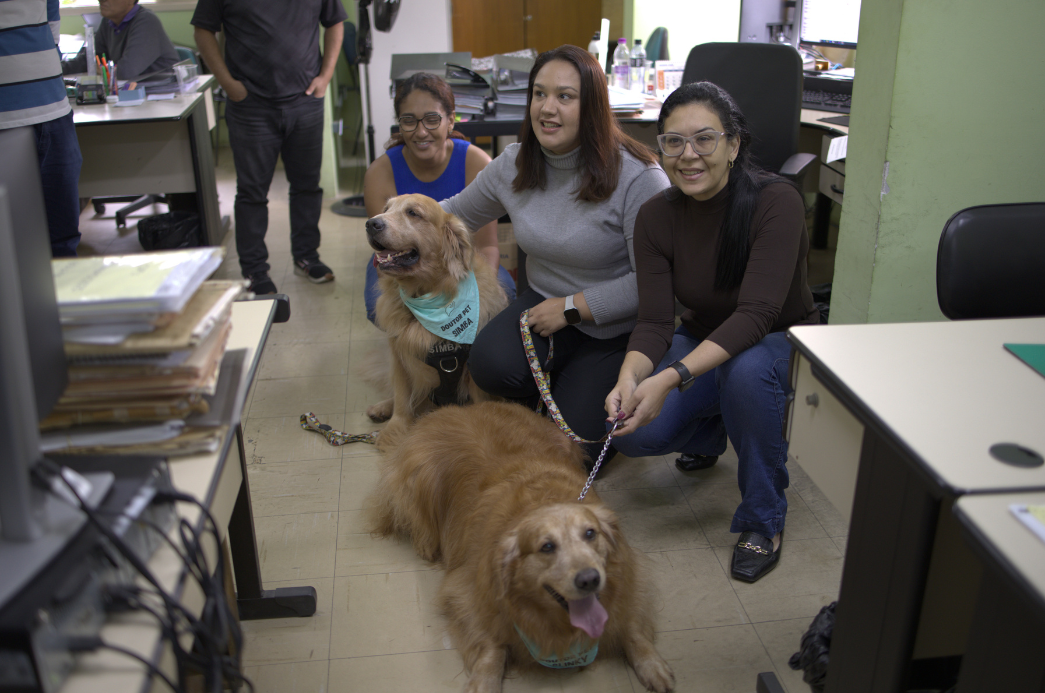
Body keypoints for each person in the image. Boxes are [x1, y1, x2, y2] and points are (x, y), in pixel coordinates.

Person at [605, 81, 820, 583]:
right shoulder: (656, 216)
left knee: (744, 374)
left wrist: (670, 377)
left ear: (734, 144)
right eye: (673, 142)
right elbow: (656, 321)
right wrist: (630, 378)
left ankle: (763, 519)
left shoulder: (776, 202)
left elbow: (758, 315)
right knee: (636, 435)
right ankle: (717, 425)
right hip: (704, 338)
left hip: (780, 339)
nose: (688, 155)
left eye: (705, 139)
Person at [441, 45, 670, 460]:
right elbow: (453, 214)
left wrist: (572, 307)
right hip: (543, 310)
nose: (547, 109)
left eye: (565, 96)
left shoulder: (640, 178)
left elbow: (654, 283)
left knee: (571, 454)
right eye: (539, 94)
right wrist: (395, 223)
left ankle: (572, 391)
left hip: (614, 330)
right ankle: (555, 387)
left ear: (593, 106)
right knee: (488, 364)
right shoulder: (514, 164)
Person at [191, 0, 346, 295]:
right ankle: (254, 271)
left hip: (305, 103)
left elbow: (334, 22)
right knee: (252, 192)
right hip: (250, 106)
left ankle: (307, 256)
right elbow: (203, 31)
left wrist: (325, 76)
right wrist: (227, 82)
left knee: (307, 187)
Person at [362, 72, 516, 324]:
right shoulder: (379, 173)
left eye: (432, 119)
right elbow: (384, 247)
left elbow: (487, 246)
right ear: (400, 125)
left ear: (451, 120)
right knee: (377, 308)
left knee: (504, 294)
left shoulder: (477, 163)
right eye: (409, 121)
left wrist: (472, 297)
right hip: (399, 259)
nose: (421, 132)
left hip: (461, 260)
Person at [0, 0, 83, 257]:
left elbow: (51, 19)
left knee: (63, 237)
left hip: (54, 108)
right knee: (10, 243)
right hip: (5, 116)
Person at [62, 0, 179, 82]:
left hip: (162, 97)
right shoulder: (108, 22)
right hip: (129, 94)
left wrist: (101, 69)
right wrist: (56, 71)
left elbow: (125, 71)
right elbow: (88, 60)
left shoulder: (146, 21)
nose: (101, 0)